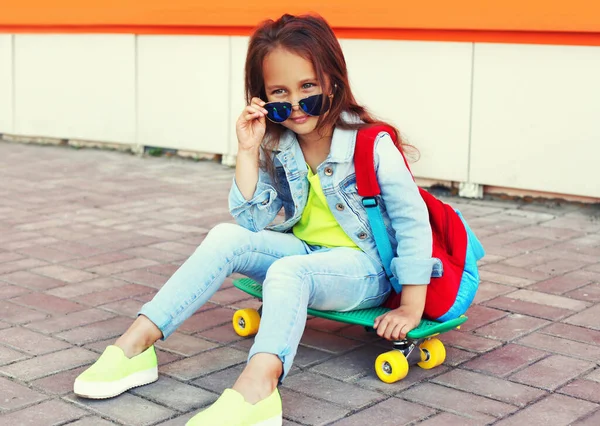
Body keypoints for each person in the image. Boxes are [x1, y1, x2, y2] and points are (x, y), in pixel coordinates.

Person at [73, 13, 440, 426]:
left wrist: (411, 306)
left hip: (364, 268)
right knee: (225, 236)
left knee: (289, 272)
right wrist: (247, 151)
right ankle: (136, 347)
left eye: (308, 88)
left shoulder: (372, 143)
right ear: (263, 99)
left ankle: (259, 390)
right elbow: (250, 221)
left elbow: (413, 222)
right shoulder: (280, 143)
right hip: (308, 253)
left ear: (333, 81)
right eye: (280, 94)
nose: (297, 106)